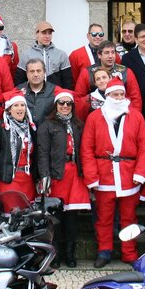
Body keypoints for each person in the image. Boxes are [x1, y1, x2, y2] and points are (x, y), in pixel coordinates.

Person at [81, 78, 145, 267]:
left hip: (129, 175)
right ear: (107, 96)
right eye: (115, 94)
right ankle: (104, 251)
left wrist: (140, 173)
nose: (119, 98)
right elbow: (87, 148)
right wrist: (91, 176)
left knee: (129, 217)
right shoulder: (94, 117)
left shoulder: (136, 117)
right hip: (104, 175)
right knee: (104, 218)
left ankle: (129, 252)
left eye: (121, 94)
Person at [36, 91, 87, 267]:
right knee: (56, 218)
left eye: (68, 104)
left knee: (72, 217)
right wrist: (44, 176)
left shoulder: (78, 125)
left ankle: (70, 254)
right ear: (55, 105)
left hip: (75, 174)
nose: (65, 106)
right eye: (61, 103)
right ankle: (55, 255)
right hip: (57, 174)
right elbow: (42, 153)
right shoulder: (47, 125)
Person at [0, 94, 38, 212]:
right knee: (11, 216)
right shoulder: (0, 126)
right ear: (9, 109)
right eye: (16, 106)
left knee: (27, 218)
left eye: (22, 105)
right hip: (9, 179)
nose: (20, 109)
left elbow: (36, 155)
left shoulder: (31, 128)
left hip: (27, 179)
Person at [75, 42, 142, 110]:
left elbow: (136, 99)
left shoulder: (126, 72)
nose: (110, 56)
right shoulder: (87, 72)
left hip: (122, 114)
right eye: (107, 53)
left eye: (113, 52)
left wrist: (134, 117)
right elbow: (78, 99)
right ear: (99, 55)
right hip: (95, 114)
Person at [16, 21, 72, 88]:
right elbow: (19, 80)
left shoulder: (61, 54)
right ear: (37, 34)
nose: (47, 36)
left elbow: (67, 81)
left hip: (55, 94)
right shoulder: (26, 54)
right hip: (33, 96)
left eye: (50, 33)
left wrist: (65, 95)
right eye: (44, 33)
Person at [17, 58, 63, 123]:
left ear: (44, 72)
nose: (35, 74)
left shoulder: (55, 90)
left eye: (38, 71)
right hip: (24, 130)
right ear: (27, 73)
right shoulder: (17, 91)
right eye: (32, 71)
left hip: (48, 131)